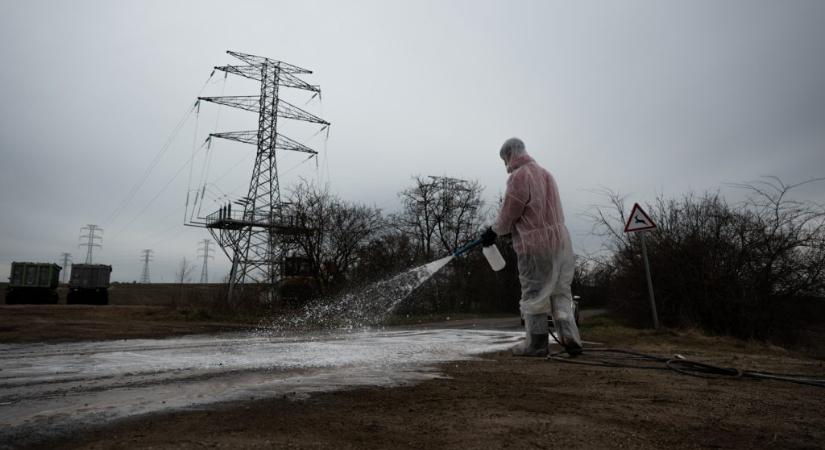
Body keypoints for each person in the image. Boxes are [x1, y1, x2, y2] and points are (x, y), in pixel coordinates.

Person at [481, 137, 583, 357]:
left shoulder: (519, 177)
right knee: (560, 292)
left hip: (535, 246)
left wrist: (493, 231)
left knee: (534, 294)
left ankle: (536, 345)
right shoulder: (547, 174)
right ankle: (570, 337)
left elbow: (510, 212)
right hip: (561, 243)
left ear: (509, 156)